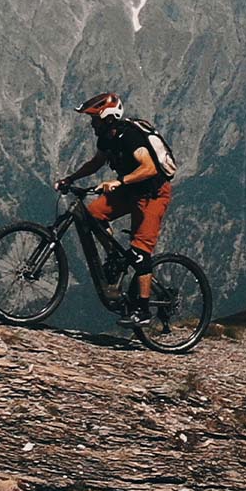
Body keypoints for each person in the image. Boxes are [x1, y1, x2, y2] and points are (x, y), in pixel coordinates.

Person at [55, 92, 172, 326]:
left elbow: (149, 168)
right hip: (131, 191)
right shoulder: (107, 137)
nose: (91, 123)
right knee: (92, 215)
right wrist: (71, 178)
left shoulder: (129, 136)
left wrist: (120, 181)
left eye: (95, 118)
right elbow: (96, 163)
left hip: (152, 194)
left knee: (140, 252)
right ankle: (115, 257)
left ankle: (143, 310)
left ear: (107, 118)